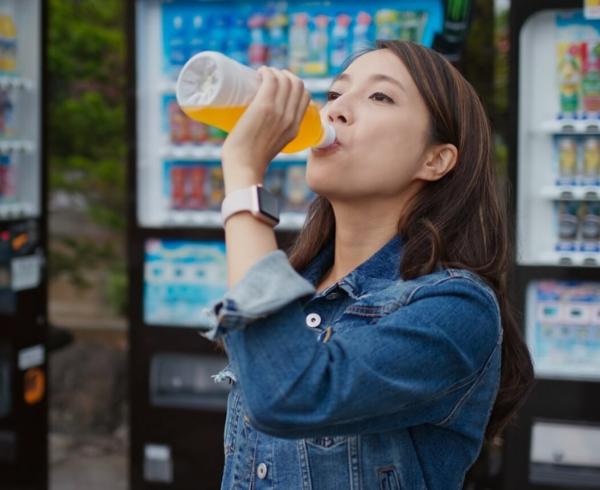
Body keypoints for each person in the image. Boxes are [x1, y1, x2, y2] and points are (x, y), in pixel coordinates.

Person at [197, 40, 534, 490]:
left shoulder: (457, 308)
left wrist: (242, 175)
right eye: (335, 95)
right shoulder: (298, 289)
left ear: (436, 159)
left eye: (380, 97)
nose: (334, 111)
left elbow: (289, 395)